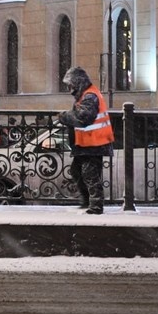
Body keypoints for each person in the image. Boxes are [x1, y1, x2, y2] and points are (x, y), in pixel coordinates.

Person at [57, 66, 115, 215]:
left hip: (95, 143)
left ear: (78, 82)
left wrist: (64, 117)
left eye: (71, 84)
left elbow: (82, 118)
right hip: (88, 144)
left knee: (90, 175)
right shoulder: (85, 95)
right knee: (77, 171)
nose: (70, 88)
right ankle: (87, 201)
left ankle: (95, 206)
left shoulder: (90, 96)